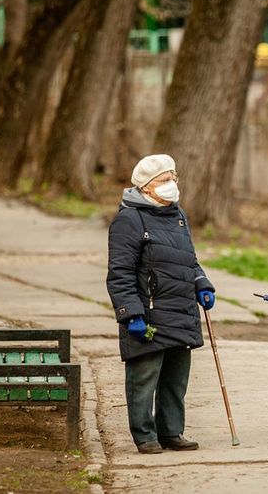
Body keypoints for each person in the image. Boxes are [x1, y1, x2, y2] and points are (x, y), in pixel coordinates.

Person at [106, 154, 216, 454]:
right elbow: (120, 273)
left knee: (175, 380)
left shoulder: (178, 216)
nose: (171, 185)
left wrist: (201, 282)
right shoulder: (129, 219)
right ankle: (144, 435)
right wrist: (131, 314)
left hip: (180, 310)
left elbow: (188, 261)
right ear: (145, 187)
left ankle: (171, 431)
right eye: (163, 181)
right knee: (144, 378)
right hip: (148, 314)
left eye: (173, 179)